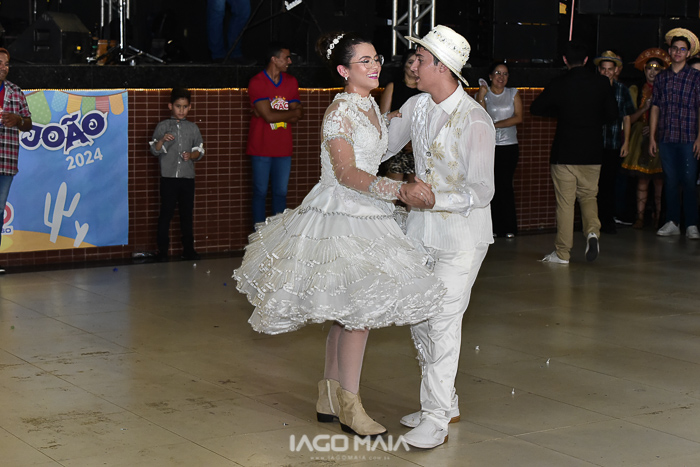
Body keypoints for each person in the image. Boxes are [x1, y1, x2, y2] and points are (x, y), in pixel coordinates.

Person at [234, 32, 445, 438]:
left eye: (376, 58)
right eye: (364, 61)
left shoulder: (369, 105)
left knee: (348, 311)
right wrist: (398, 190)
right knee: (359, 313)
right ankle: (350, 403)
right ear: (344, 71)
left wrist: (397, 127)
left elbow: (374, 152)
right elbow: (347, 173)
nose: (375, 65)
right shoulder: (339, 111)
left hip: (368, 211)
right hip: (342, 213)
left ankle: (329, 396)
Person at [385, 25, 496, 449]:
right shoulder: (416, 105)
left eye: (420, 59)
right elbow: (382, 147)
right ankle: (445, 402)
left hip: (462, 237)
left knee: (442, 322)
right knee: (419, 317)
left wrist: (435, 199)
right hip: (420, 231)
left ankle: (435, 419)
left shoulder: (476, 120)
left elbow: (483, 190)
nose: (413, 65)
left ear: (442, 67)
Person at [530, 41, 617, 264]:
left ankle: (562, 253)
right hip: (592, 151)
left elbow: (536, 108)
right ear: (587, 60)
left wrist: (562, 111)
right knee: (588, 196)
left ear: (565, 60)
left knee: (565, 203)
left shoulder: (559, 83)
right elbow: (612, 115)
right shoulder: (601, 82)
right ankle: (592, 232)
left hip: (565, 152)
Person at [649, 28, 700, 240]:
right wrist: (652, 137)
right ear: (669, 51)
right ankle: (672, 222)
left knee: (689, 180)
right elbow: (655, 107)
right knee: (670, 180)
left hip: (689, 136)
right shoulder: (661, 78)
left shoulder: (696, 77)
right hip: (666, 136)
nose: (678, 52)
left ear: (688, 53)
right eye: (675, 48)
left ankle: (692, 224)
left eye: (682, 49)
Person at [247, 42, 303, 225]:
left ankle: (277, 234)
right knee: (260, 192)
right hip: (261, 147)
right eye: (286, 58)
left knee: (280, 193)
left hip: (283, 148)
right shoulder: (257, 82)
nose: (289, 61)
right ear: (274, 59)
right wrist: (288, 113)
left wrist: (269, 112)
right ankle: (259, 234)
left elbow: (299, 114)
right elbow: (270, 116)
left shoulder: (291, 81)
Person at [149, 88, 204, 261]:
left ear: (190, 107)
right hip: (169, 178)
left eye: (185, 107)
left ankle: (188, 249)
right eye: (178, 106)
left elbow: (200, 150)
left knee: (186, 214)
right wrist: (162, 139)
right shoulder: (163, 126)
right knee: (166, 213)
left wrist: (191, 155)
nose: (181, 110)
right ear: (170, 106)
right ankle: (162, 251)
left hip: (187, 178)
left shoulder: (193, 128)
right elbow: (154, 150)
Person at [621, 48, 670, 229]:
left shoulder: (667, 90)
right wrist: (644, 109)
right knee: (642, 179)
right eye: (649, 68)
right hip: (639, 137)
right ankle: (640, 216)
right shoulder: (636, 90)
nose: (652, 72)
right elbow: (629, 118)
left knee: (659, 181)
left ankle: (658, 216)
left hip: (661, 136)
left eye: (657, 69)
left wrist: (656, 127)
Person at [476, 62, 522, 238]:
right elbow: (480, 118)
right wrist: (481, 97)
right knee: (490, 186)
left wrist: (494, 126)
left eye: (505, 74)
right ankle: (492, 228)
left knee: (506, 185)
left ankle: (509, 227)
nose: (501, 77)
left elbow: (518, 117)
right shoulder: (483, 94)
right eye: (497, 73)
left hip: (509, 146)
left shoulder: (513, 93)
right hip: (489, 147)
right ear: (490, 76)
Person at [594, 50, 635, 234]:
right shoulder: (592, 88)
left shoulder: (621, 90)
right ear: (599, 70)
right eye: (603, 69)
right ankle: (593, 220)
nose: (606, 72)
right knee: (593, 184)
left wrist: (626, 142)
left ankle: (607, 220)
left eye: (610, 69)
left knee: (609, 182)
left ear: (615, 70)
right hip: (594, 143)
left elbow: (627, 117)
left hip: (613, 143)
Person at [0, 48, 33, 273]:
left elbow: (29, 124)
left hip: (6, 160)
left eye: (6, 64)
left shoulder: (15, 91)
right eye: (0, 63)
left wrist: (18, 119)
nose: (4, 67)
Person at [379, 50, 421, 183]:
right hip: (395, 144)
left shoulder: (425, 90)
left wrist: (414, 143)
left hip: (417, 146)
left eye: (418, 62)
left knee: (415, 187)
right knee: (393, 187)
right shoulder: (393, 86)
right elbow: (383, 119)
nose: (414, 66)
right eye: (410, 62)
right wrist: (400, 141)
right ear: (404, 65)